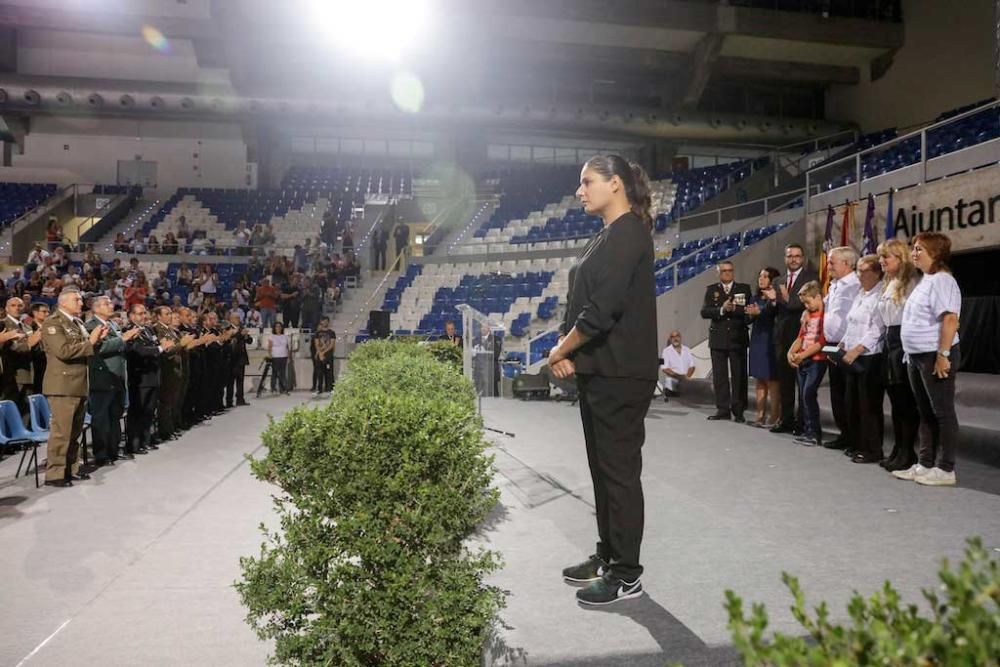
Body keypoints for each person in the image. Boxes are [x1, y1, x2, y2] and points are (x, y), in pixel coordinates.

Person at [549, 154, 657, 606]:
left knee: (619, 475)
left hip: (620, 372)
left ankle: (627, 574)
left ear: (615, 184)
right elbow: (583, 301)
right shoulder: (609, 234)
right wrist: (566, 344)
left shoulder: (629, 231)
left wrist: (562, 349)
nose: (580, 190)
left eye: (586, 181)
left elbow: (603, 309)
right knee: (603, 472)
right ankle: (610, 555)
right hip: (600, 369)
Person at [892, 232, 962, 486]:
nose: (914, 252)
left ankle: (946, 469)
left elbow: (950, 319)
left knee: (942, 412)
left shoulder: (943, 281)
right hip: (916, 355)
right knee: (925, 412)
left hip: (934, 355)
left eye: (920, 248)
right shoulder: (925, 280)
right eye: (914, 247)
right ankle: (925, 463)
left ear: (936, 253)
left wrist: (943, 355)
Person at [41, 288, 107, 487]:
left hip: (78, 383)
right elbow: (63, 351)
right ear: (63, 302)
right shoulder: (53, 323)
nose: (81, 303)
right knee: (62, 432)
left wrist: (97, 341)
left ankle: (71, 468)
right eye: (77, 300)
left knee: (75, 431)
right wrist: (91, 341)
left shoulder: (76, 323)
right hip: (62, 384)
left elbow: (86, 349)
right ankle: (55, 474)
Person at [876, 239, 920, 472]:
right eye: (881, 257)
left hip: (904, 340)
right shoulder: (888, 283)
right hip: (890, 341)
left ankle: (908, 451)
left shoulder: (912, 282)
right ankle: (898, 448)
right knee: (894, 399)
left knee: (906, 401)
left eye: (886, 257)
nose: (881, 261)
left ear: (900, 258)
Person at [837, 255, 886, 464]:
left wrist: (857, 348)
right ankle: (857, 443)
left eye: (864, 271)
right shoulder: (860, 293)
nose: (859, 275)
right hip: (851, 354)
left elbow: (877, 328)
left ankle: (873, 449)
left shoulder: (880, 293)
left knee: (869, 405)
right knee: (853, 402)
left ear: (876, 272)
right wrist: (843, 343)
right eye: (858, 270)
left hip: (870, 356)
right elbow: (852, 322)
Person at [770, 244, 818, 435]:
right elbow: (775, 308)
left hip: (802, 336)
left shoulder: (811, 278)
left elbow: (797, 304)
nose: (794, 259)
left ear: (803, 258)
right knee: (785, 383)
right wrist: (771, 303)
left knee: (802, 384)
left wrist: (781, 298)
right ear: (785, 258)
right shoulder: (778, 280)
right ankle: (786, 420)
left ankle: (802, 423)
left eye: (797, 256)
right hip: (781, 337)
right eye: (790, 256)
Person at [87, 296, 140, 465]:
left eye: (111, 303)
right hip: (102, 377)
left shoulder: (114, 325)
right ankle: (101, 455)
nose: (111, 305)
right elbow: (99, 347)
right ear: (95, 308)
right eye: (106, 303)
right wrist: (123, 339)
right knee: (101, 418)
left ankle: (113, 450)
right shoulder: (91, 325)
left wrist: (126, 340)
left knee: (115, 417)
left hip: (117, 377)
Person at [700, 260, 753, 422]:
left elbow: (748, 312)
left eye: (730, 270)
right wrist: (722, 309)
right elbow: (704, 312)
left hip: (738, 338)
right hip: (718, 339)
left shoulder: (744, 289)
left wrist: (741, 311)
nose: (727, 273)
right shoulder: (711, 290)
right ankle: (723, 409)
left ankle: (739, 410)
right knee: (719, 376)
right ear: (718, 273)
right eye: (724, 271)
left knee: (739, 375)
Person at [820, 246, 861, 450]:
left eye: (831, 262)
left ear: (846, 263)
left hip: (847, 345)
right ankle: (844, 434)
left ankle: (855, 437)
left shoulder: (855, 285)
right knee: (837, 392)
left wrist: (844, 343)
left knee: (849, 395)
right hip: (832, 344)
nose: (828, 266)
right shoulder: (835, 284)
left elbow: (855, 318)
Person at [125, 304, 172, 455]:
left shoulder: (148, 330)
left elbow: (155, 346)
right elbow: (139, 350)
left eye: (144, 313)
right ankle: (134, 444)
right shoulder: (129, 331)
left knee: (149, 410)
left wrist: (162, 348)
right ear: (131, 316)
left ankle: (146, 440)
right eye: (139, 314)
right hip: (140, 377)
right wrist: (159, 349)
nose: (143, 316)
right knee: (138, 411)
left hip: (152, 375)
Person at [787, 281, 826, 447]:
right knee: (804, 397)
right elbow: (801, 337)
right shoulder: (807, 316)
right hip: (803, 361)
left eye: (808, 302)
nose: (806, 306)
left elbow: (821, 342)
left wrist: (801, 355)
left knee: (809, 394)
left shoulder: (825, 317)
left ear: (818, 297)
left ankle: (815, 433)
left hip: (816, 361)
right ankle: (808, 431)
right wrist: (790, 353)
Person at [746, 267, 780, 427]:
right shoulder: (754, 297)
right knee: (759, 378)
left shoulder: (775, 298)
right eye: (760, 276)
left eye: (766, 276)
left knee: (771, 379)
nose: (761, 279)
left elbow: (774, 313)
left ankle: (774, 415)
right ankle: (759, 414)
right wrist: (749, 314)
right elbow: (748, 320)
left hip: (771, 339)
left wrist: (762, 311)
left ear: (772, 280)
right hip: (757, 339)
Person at [1, 297, 41, 419]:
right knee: (11, 411)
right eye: (13, 305)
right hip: (13, 375)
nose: (17, 308)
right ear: (6, 309)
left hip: (30, 373)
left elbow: (35, 350)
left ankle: (27, 437)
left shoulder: (28, 327)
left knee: (27, 411)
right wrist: (29, 344)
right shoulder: (2, 324)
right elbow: (11, 349)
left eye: (20, 305)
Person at [152, 306, 184, 441]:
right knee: (165, 403)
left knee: (172, 401)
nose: (170, 316)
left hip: (175, 368)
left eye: (170, 313)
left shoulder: (169, 329)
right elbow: (167, 350)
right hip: (167, 369)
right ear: (158, 316)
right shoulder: (158, 329)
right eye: (167, 314)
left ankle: (171, 428)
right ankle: (165, 431)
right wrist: (181, 344)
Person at [659, 330, 695, 402]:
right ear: (670, 339)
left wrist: (686, 377)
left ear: (680, 337)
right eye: (672, 337)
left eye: (677, 336)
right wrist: (680, 377)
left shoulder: (687, 349)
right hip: (672, 387)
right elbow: (665, 368)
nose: (675, 338)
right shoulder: (666, 351)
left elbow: (692, 366)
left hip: (686, 385)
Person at [226, 312, 251, 407]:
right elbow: (231, 340)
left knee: (240, 380)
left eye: (238, 318)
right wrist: (240, 334)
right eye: (236, 318)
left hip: (241, 358)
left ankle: (240, 399)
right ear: (231, 319)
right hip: (232, 358)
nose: (238, 320)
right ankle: (229, 401)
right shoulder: (228, 329)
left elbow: (249, 341)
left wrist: (246, 336)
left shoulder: (241, 328)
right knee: (230, 381)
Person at [310, 317, 335, 395]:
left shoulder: (331, 332)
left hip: (328, 355)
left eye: (326, 321)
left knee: (329, 372)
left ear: (328, 322)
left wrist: (324, 352)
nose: (325, 323)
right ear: (321, 322)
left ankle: (330, 388)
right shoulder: (318, 333)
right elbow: (316, 344)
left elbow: (332, 344)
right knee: (319, 372)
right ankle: (319, 389)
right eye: (323, 321)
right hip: (320, 355)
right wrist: (320, 353)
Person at [29, 302, 50, 394]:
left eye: (48, 312)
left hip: (48, 363)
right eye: (44, 311)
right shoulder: (29, 327)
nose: (47, 314)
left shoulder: (49, 327)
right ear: (35, 313)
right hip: (36, 363)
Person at [267, 321, 290, 394]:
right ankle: (273, 388)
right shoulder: (271, 336)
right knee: (275, 373)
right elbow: (269, 346)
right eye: (277, 326)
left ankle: (282, 388)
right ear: (274, 328)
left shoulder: (285, 336)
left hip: (284, 356)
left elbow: (287, 347)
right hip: (275, 356)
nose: (278, 328)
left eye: (279, 326)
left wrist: (289, 357)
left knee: (283, 373)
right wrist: (270, 355)